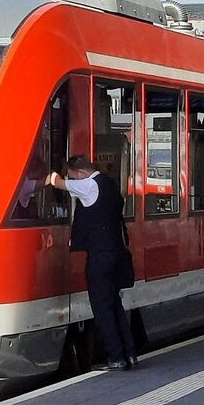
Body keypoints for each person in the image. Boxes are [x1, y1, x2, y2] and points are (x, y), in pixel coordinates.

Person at [46, 154, 138, 370]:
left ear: (80, 173)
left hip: (100, 256)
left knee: (102, 309)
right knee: (115, 306)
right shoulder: (109, 184)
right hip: (116, 253)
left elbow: (57, 183)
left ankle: (115, 357)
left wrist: (47, 177)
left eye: (74, 177)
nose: (74, 181)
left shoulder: (89, 185)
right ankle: (130, 354)